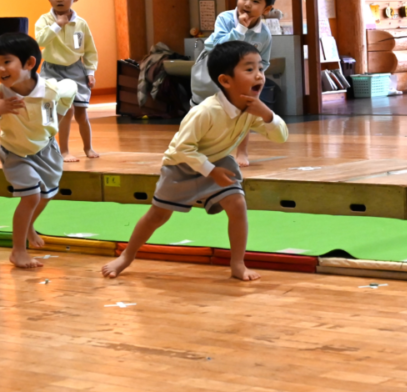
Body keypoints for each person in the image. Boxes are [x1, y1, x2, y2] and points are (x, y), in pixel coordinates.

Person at [103, 41, 288, 281]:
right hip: (181, 165)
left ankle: (237, 264)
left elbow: (281, 137)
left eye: (260, 69)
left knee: (237, 205)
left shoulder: (252, 110)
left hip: (218, 162)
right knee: (158, 215)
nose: (259, 76)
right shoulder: (205, 111)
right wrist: (210, 171)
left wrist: (267, 114)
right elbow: (182, 149)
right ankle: (126, 256)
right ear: (225, 80)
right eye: (249, 69)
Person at [0, 33, 76, 269]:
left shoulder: (50, 88)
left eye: (6, 62)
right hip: (15, 153)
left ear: (29, 63)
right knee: (31, 195)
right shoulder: (0, 94)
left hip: (46, 149)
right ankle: (18, 250)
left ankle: (29, 226)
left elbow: (71, 87)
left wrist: (60, 113)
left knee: (45, 196)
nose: (0, 69)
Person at [191, 0, 275, 168]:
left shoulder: (264, 34)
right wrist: (240, 29)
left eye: (255, 1)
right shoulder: (226, 19)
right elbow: (215, 45)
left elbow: (265, 60)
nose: (247, 4)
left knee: (244, 112)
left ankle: (241, 151)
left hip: (239, 81)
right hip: (210, 75)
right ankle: (196, 148)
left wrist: (256, 76)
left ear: (266, 9)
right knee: (201, 111)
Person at [35, 0, 99, 162]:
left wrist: (90, 72)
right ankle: (62, 151)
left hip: (75, 70)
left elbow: (89, 50)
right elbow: (40, 41)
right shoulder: (45, 20)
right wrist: (57, 25)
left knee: (81, 113)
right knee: (63, 110)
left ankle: (88, 148)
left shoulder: (81, 23)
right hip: (51, 71)